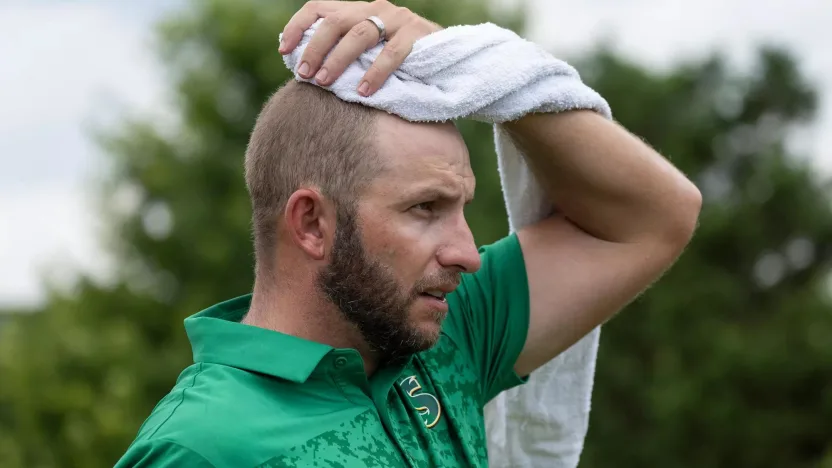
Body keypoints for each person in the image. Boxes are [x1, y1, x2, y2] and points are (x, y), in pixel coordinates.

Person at [115, 1, 702, 467]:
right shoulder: (202, 447)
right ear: (312, 223)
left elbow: (652, 217)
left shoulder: (447, 337)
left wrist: (465, 59)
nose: (468, 253)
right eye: (426, 207)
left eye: (461, 208)